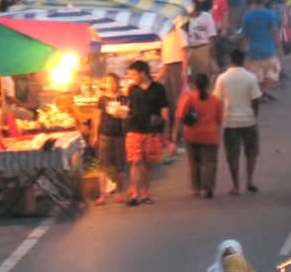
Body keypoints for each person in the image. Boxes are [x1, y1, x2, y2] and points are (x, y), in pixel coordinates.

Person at [214, 49, 263, 195]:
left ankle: (235, 185)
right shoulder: (250, 77)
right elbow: (256, 99)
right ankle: (250, 181)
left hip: (230, 121)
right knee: (251, 153)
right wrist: (254, 116)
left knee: (233, 155)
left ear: (231, 60)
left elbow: (217, 100)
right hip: (248, 120)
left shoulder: (222, 78)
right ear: (243, 60)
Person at [124, 60, 169, 206]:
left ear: (143, 73)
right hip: (134, 129)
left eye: (134, 74)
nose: (132, 78)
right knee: (135, 161)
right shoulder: (132, 89)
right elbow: (128, 108)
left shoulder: (158, 88)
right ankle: (135, 194)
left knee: (147, 163)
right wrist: (123, 113)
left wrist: (165, 128)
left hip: (152, 130)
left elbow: (164, 108)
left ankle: (145, 193)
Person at [178, 73, 223, 198]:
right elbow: (219, 119)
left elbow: (181, 115)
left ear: (195, 85)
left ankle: (196, 188)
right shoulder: (215, 101)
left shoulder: (189, 98)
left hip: (192, 135)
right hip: (210, 134)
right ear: (208, 85)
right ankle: (209, 184)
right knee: (210, 162)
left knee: (194, 163)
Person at [239, 0, 281, 99]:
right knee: (272, 72)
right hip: (268, 48)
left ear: (253, 2)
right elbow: (274, 31)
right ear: (264, 1)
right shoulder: (270, 14)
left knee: (257, 75)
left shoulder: (247, 15)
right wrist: (279, 47)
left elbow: (244, 34)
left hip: (253, 49)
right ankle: (262, 91)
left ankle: (261, 92)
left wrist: (244, 48)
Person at [94, 72, 126, 205]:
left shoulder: (123, 99)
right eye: (107, 82)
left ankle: (119, 192)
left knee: (119, 166)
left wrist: (122, 114)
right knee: (103, 166)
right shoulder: (102, 99)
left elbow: (128, 115)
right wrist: (94, 135)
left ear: (117, 83)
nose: (110, 85)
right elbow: (97, 118)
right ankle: (102, 195)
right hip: (104, 134)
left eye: (112, 82)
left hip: (119, 135)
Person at [186, 3, 218, 78]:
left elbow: (212, 35)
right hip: (192, 50)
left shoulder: (206, 17)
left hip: (203, 48)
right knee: (194, 76)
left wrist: (212, 55)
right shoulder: (188, 18)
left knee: (204, 75)